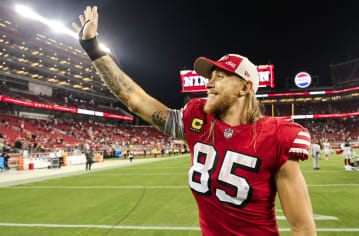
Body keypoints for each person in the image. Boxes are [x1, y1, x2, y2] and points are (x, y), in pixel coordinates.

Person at [72, 6, 316, 235]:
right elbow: (135, 100)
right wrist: (92, 47)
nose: (208, 83)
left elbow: (303, 228)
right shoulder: (198, 118)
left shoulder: (277, 135)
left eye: (220, 77)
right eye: (210, 77)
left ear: (245, 87)